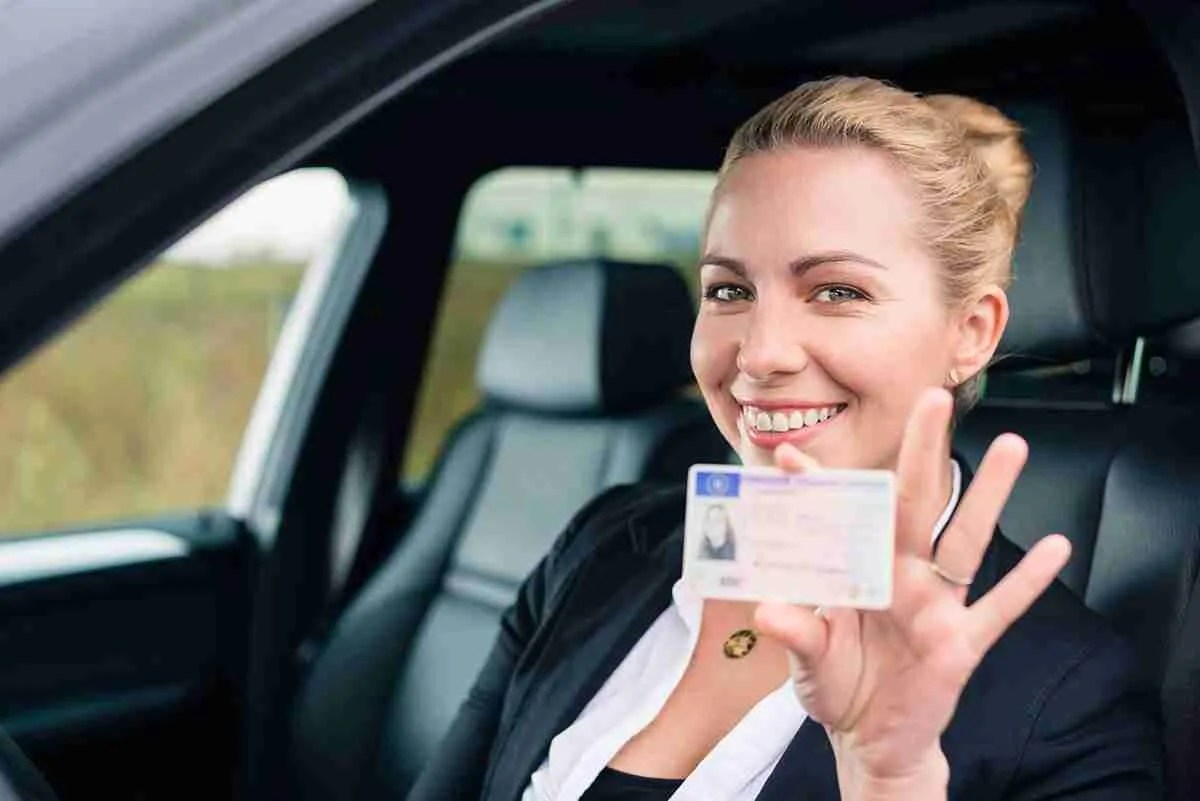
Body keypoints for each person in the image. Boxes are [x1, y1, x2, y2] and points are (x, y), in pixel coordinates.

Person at [407, 77, 1162, 800]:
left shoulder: (1070, 696)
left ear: (971, 332)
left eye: (837, 291)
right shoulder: (601, 548)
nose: (761, 352)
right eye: (729, 290)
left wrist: (889, 785)